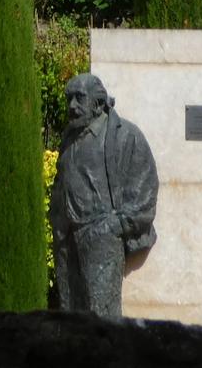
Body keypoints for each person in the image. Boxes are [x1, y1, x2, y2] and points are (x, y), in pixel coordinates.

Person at [49, 73, 158, 317]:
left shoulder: (125, 136)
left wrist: (115, 225)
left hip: (101, 236)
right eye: (69, 100)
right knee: (70, 314)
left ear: (98, 104)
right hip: (67, 238)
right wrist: (56, 218)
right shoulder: (69, 137)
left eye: (79, 99)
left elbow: (145, 188)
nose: (72, 107)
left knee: (102, 319)